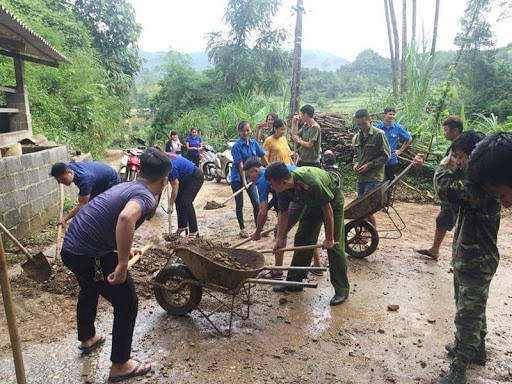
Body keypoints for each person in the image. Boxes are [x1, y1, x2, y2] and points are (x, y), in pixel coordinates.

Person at [60, 148, 171, 382]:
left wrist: (124, 249)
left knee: (89, 289)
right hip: (89, 253)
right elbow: (125, 218)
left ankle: (88, 338)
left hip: (71, 248)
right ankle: (120, 365)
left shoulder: (124, 185)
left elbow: (106, 221)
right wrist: (121, 264)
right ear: (164, 180)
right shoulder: (147, 198)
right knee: (127, 302)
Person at [433, 131, 500, 384]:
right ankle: (477, 351)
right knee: (472, 310)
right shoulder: (479, 186)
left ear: (474, 157)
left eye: (460, 157)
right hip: (469, 262)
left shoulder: (482, 192)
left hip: (476, 264)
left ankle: (459, 370)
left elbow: (444, 189)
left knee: (467, 317)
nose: (457, 162)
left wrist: (443, 165)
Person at [264, 162, 349, 306]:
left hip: (332, 203)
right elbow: (283, 213)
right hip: (312, 204)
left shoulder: (311, 182)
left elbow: (327, 209)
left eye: (272, 184)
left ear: (283, 182)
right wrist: (279, 239)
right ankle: (294, 282)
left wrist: (329, 238)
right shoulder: (283, 190)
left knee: (334, 246)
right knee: (302, 237)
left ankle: (341, 290)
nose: (271, 188)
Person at [244, 158, 322, 279]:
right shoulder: (271, 172)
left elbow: (263, 212)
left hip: (301, 194)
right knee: (307, 231)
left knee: (279, 230)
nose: (249, 180)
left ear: (255, 171)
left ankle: (277, 271)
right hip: (304, 192)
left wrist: (257, 232)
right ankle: (317, 265)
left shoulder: (263, 179)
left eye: (249, 176)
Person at [415, 116, 464, 260]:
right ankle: (435, 249)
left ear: (455, 130)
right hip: (453, 194)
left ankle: (458, 260)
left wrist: (424, 167)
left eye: (446, 130)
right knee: (443, 220)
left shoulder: (458, 149)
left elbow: (449, 172)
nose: (444, 133)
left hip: (455, 192)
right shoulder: (455, 146)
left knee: (462, 226)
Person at [352, 109, 391, 231]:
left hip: (374, 177)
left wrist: (369, 165)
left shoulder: (379, 134)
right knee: (361, 208)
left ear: (370, 120)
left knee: (367, 208)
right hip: (361, 178)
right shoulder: (358, 137)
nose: (361, 127)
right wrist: (356, 163)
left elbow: (386, 155)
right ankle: (366, 232)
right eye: (359, 124)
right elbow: (356, 154)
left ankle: (370, 233)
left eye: (364, 124)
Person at [51, 161, 121, 227]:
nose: (60, 182)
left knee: (101, 207)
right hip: (97, 180)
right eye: (58, 180)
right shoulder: (68, 167)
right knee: (89, 205)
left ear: (70, 172)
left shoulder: (84, 180)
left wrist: (65, 219)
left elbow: (82, 205)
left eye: (63, 179)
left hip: (111, 181)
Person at [231, 120, 268, 238]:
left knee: (256, 202)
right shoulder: (236, 147)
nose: (246, 133)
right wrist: (243, 182)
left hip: (252, 177)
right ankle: (242, 228)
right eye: (243, 131)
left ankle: (259, 228)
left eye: (247, 130)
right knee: (239, 203)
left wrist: (271, 168)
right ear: (239, 132)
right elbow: (240, 165)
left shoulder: (253, 143)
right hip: (238, 178)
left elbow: (262, 157)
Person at [166, 152, 204, 238]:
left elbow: (175, 187)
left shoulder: (171, 166)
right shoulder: (164, 158)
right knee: (178, 199)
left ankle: (194, 231)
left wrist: (170, 205)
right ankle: (182, 225)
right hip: (184, 179)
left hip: (195, 177)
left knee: (186, 201)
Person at [375, 107, 413, 182]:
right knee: (378, 180)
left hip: (391, 159)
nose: (392, 116)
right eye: (390, 114)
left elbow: (409, 139)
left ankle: (388, 194)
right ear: (385, 115)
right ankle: (378, 193)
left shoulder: (398, 128)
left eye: (393, 114)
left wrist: (400, 150)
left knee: (390, 181)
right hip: (378, 159)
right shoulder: (377, 128)